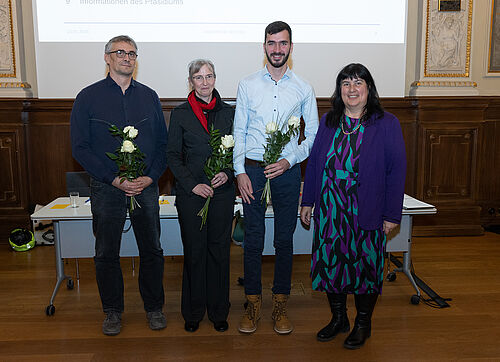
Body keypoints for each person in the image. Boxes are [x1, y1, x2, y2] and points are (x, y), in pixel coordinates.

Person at [300, 63, 406, 349]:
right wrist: (307, 200)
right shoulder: (329, 122)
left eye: (358, 82)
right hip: (331, 208)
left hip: (367, 207)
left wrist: (391, 214)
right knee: (331, 264)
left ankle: (362, 323)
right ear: (340, 91)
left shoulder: (387, 123)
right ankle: (338, 318)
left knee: (365, 267)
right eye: (346, 83)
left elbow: (396, 171)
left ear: (368, 88)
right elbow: (315, 166)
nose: (352, 88)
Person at [71, 35, 168, 336]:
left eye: (132, 53)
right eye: (120, 53)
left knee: (152, 249)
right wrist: (114, 178)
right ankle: (112, 311)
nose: (127, 58)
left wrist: (150, 177)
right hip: (106, 187)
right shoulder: (87, 97)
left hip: (146, 187)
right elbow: (80, 148)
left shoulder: (150, 96)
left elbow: (163, 145)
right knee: (106, 252)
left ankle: (154, 308)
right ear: (107, 58)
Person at [233, 21, 319, 335]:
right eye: (272, 43)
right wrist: (240, 170)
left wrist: (288, 160)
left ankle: (280, 303)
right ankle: (253, 303)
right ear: (264, 46)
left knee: (284, 240)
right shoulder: (247, 84)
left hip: (286, 172)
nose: (277, 49)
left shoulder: (304, 88)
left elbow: (313, 136)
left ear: (291, 47)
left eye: (283, 44)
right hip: (252, 172)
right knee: (253, 241)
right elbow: (239, 131)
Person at [166, 59, 235, 333]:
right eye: (198, 77)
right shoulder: (181, 113)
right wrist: (193, 185)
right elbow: (172, 155)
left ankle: (219, 311)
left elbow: (236, 151)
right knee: (195, 252)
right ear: (191, 81)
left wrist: (228, 173)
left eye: (209, 76)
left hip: (222, 193)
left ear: (215, 79)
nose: (204, 82)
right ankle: (193, 311)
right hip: (192, 194)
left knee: (219, 252)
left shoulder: (229, 112)